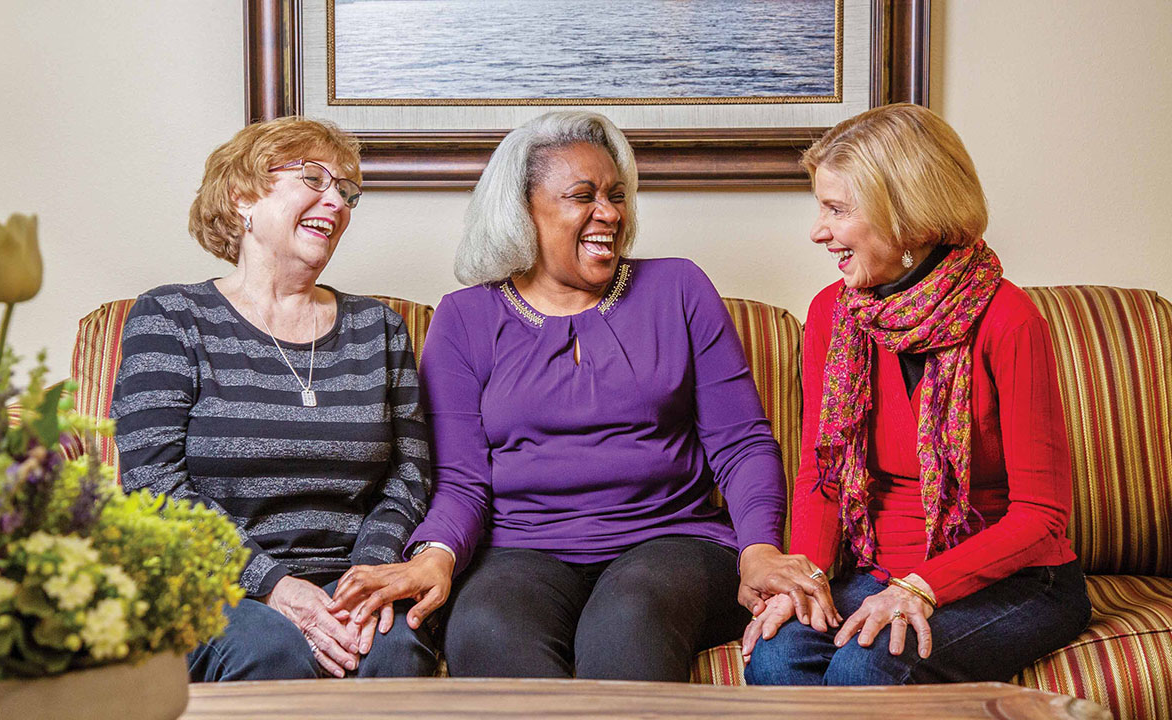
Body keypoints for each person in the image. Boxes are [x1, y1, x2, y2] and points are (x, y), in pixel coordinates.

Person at [331, 110, 836, 681]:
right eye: (583, 196)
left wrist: (759, 548)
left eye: (616, 195)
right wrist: (436, 554)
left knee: (628, 618)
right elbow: (462, 479)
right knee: (486, 626)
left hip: (673, 541)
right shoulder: (465, 318)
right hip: (520, 549)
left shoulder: (679, 289)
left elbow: (740, 444)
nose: (610, 213)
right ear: (523, 213)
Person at [741, 103, 1091, 685]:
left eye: (836, 209)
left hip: (1015, 580)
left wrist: (922, 587)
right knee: (777, 656)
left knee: (867, 668)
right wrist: (805, 581)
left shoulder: (1009, 319)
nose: (817, 231)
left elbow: (1042, 514)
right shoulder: (833, 315)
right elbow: (823, 477)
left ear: (905, 215)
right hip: (878, 569)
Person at [111, 116, 437, 681]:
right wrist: (274, 587)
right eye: (313, 178)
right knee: (269, 649)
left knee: (395, 647)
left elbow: (410, 475)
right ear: (242, 197)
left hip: (348, 576)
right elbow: (154, 487)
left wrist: (365, 581)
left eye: (346, 190)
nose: (335, 201)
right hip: (212, 582)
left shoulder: (378, 329)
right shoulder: (170, 319)